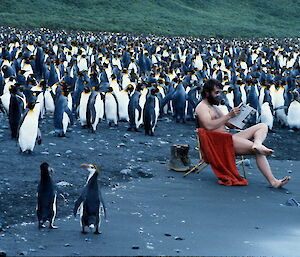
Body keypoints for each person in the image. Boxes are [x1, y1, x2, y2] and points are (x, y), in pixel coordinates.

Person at [195, 78, 290, 188]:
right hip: (219, 144)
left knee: (262, 126)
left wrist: (239, 117)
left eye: (220, 93)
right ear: (207, 93)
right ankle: (273, 181)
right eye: (216, 93)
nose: (219, 95)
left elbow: (228, 124)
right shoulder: (202, 107)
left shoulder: (214, 107)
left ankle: (257, 143)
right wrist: (229, 115)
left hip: (227, 139)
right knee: (258, 152)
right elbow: (208, 126)